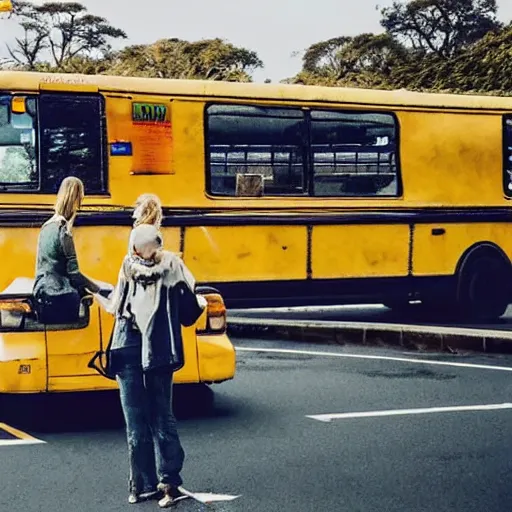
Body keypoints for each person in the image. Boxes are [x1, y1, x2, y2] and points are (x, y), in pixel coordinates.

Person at [94, 223, 206, 508]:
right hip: (159, 350)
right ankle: (169, 483)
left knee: (135, 421)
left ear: (134, 247)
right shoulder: (173, 267)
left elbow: (116, 306)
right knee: (162, 416)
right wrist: (201, 302)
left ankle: (141, 488)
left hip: (126, 346)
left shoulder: (127, 266)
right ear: (158, 243)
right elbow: (190, 312)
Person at [33, 176, 100, 324]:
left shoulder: (46, 226)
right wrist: (99, 289)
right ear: (75, 201)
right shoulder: (63, 232)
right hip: (61, 298)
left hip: (42, 292)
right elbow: (74, 275)